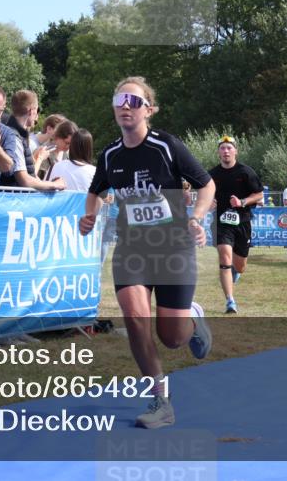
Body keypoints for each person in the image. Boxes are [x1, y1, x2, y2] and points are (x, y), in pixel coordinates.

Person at [79, 77, 215, 429]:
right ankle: (160, 400)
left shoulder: (167, 146)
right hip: (132, 249)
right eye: (120, 99)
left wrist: (196, 218)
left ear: (148, 110)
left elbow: (207, 184)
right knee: (136, 318)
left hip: (172, 250)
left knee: (172, 338)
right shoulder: (110, 154)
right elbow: (95, 190)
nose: (126, 105)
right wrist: (90, 214)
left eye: (134, 101)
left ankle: (192, 317)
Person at [209, 136, 263, 314]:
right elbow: (205, 196)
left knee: (240, 266)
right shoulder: (212, 175)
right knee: (224, 258)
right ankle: (230, 301)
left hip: (243, 223)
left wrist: (242, 201)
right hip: (221, 223)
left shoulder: (246, 172)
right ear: (218, 152)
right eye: (222, 148)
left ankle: (236, 273)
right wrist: (210, 203)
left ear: (235, 151)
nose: (226, 151)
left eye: (229, 148)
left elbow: (259, 195)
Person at [0, 90, 65, 191]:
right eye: (36, 111)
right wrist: (54, 185)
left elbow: (29, 174)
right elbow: (24, 180)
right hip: (12, 201)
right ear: (31, 111)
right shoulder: (14, 136)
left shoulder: (20, 134)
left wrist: (46, 183)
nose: (36, 117)